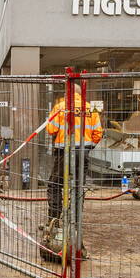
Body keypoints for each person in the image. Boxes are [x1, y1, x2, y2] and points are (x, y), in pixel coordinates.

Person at [44, 92, 103, 223]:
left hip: (63, 151)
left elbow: (51, 129)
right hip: (82, 152)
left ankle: (54, 219)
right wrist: (88, 147)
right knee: (78, 186)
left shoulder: (60, 107)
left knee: (55, 184)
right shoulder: (89, 108)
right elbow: (98, 132)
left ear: (66, 94)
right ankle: (75, 220)